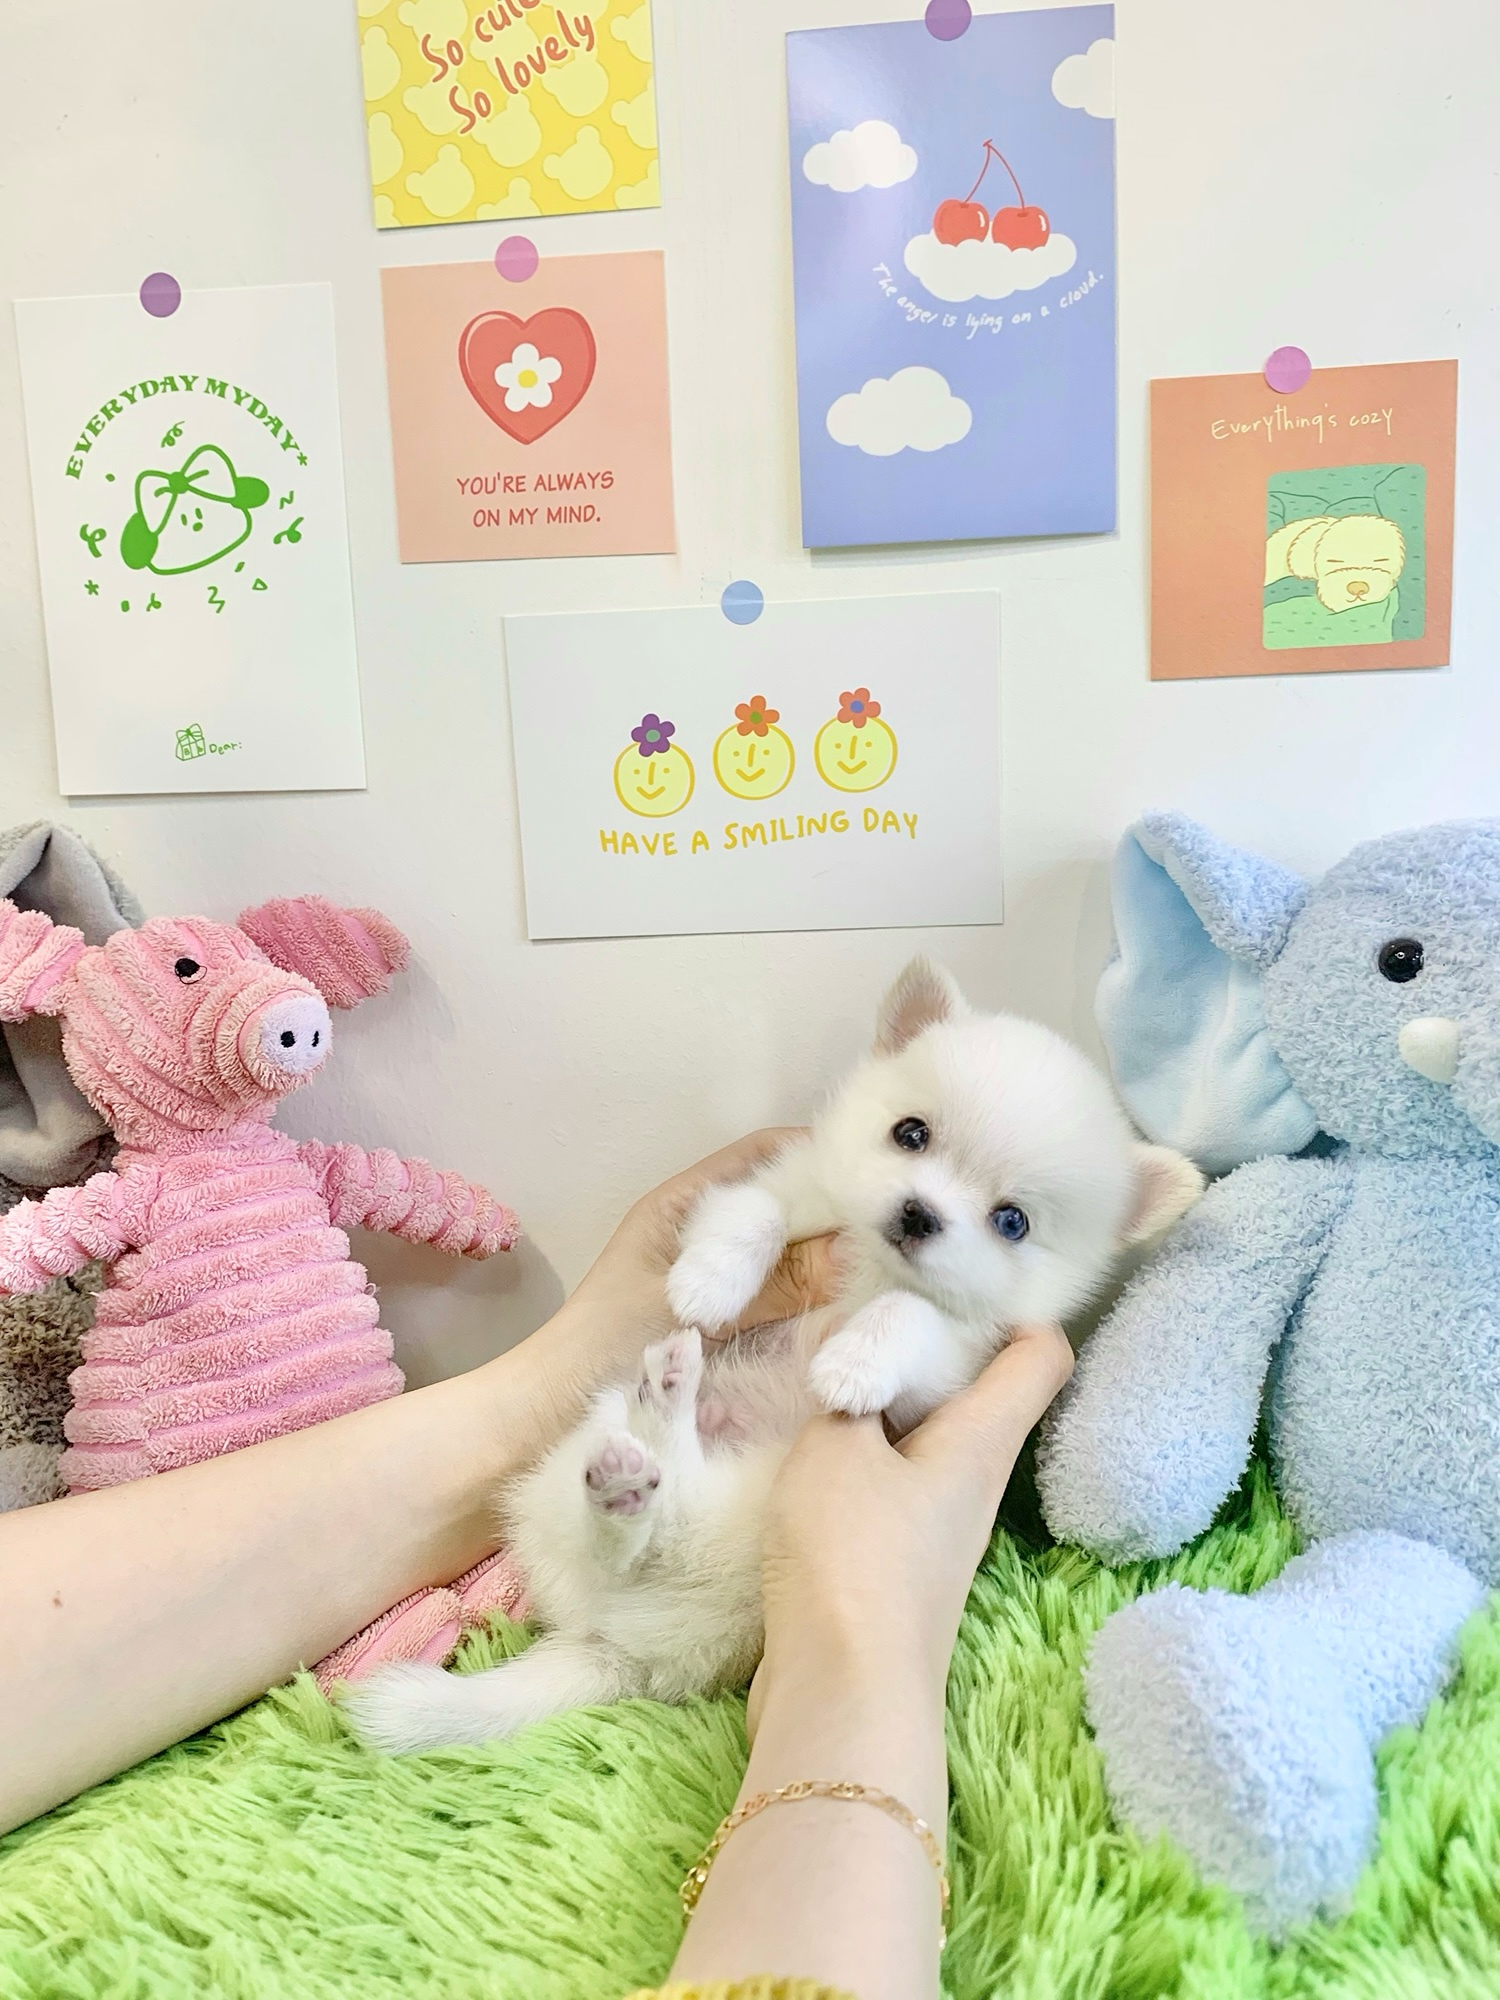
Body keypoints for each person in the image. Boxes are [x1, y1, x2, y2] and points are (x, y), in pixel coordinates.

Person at [0, 1131, 1072, 2000]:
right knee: (613, 1472)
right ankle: (633, 1485)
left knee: (659, 1499)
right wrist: (860, 1646)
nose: (930, 1200)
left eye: (1008, 1216)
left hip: (690, 1570)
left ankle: (635, 1487)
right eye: (913, 1136)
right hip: (681, 1541)